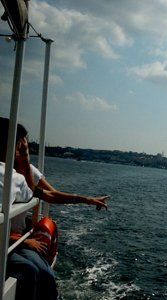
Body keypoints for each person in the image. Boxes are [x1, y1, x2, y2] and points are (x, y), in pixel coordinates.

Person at [0, 117, 110, 300]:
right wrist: (20, 241)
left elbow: (47, 193)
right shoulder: (11, 177)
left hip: (13, 240)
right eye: (21, 143)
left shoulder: (19, 176)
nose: (23, 147)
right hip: (12, 241)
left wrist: (87, 199)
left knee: (43, 272)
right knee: (31, 270)